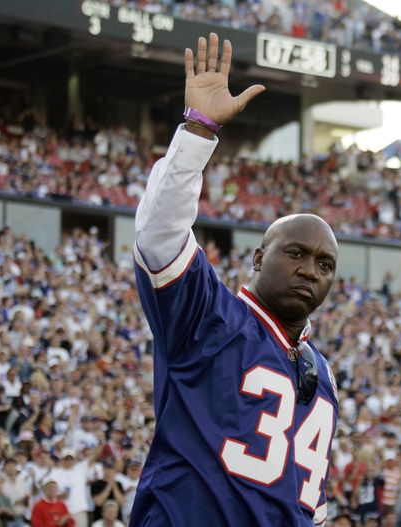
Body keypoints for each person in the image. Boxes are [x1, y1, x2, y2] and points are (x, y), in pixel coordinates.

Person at [130, 32, 340, 526]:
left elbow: (311, 504)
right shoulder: (210, 316)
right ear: (259, 257)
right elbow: (159, 236)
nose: (309, 270)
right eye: (296, 253)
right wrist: (198, 130)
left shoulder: (323, 373)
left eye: (324, 264)